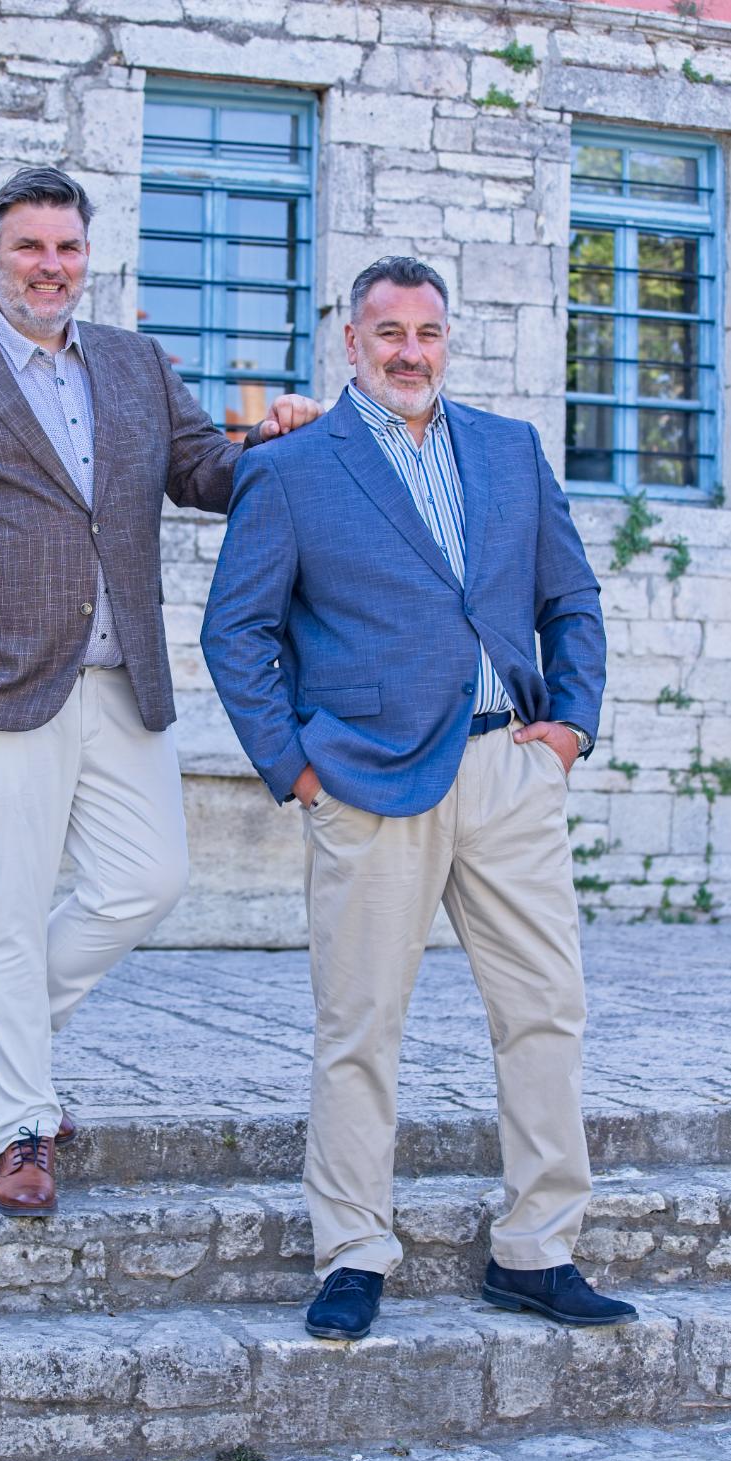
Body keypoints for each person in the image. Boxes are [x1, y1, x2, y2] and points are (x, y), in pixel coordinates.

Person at [0, 166, 320, 1217]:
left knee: (147, 879)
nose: (49, 267)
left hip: (118, 678)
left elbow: (204, 473)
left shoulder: (133, 362)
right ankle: (20, 1127)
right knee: (1, 915)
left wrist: (282, 440)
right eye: (29, 247)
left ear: (86, 257)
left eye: (65, 248)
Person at [201, 255, 637, 1338]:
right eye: (387, 331)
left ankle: (536, 1249)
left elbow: (570, 599)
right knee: (360, 1026)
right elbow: (236, 631)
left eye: (426, 332)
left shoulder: (509, 449)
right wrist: (297, 768)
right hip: (365, 781)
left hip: (508, 772)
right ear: (350, 340)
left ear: (447, 340)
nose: (408, 351)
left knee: (544, 1011)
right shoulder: (292, 469)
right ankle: (353, 1250)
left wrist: (569, 729)